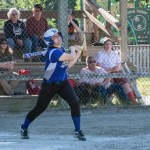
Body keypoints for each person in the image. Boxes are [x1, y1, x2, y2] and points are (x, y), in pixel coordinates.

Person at [20, 28, 86, 141]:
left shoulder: (61, 49)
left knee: (74, 103)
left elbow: (68, 65)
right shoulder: (54, 52)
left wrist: (78, 51)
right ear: (49, 41)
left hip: (63, 82)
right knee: (39, 108)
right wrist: (72, 49)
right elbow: (71, 57)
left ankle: (77, 130)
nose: (58, 37)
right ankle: (24, 127)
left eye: (58, 35)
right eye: (54, 37)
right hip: (49, 85)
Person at [96, 37, 137, 104]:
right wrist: (111, 69)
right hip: (106, 74)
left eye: (109, 44)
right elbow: (99, 67)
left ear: (111, 45)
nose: (108, 45)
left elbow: (119, 66)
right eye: (106, 44)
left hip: (116, 72)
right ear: (103, 45)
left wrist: (115, 69)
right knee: (111, 83)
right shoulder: (100, 54)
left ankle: (134, 103)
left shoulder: (115, 53)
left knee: (126, 85)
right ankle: (119, 102)